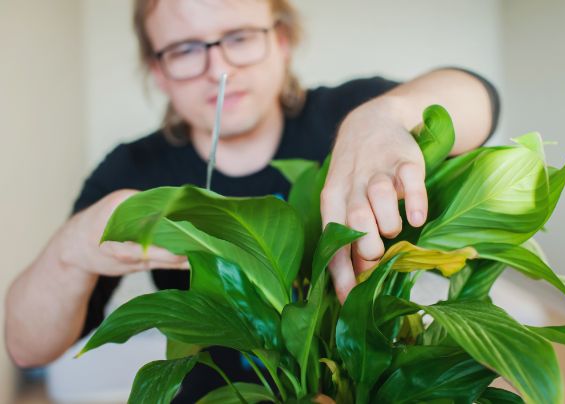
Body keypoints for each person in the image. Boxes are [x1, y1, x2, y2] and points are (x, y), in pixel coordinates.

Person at [5, 0, 499, 401]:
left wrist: (388, 115)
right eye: (184, 49)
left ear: (281, 42)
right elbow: (26, 347)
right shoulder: (135, 169)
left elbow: (480, 97)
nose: (217, 68)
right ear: (158, 71)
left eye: (239, 37)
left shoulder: (346, 117)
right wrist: (69, 251)